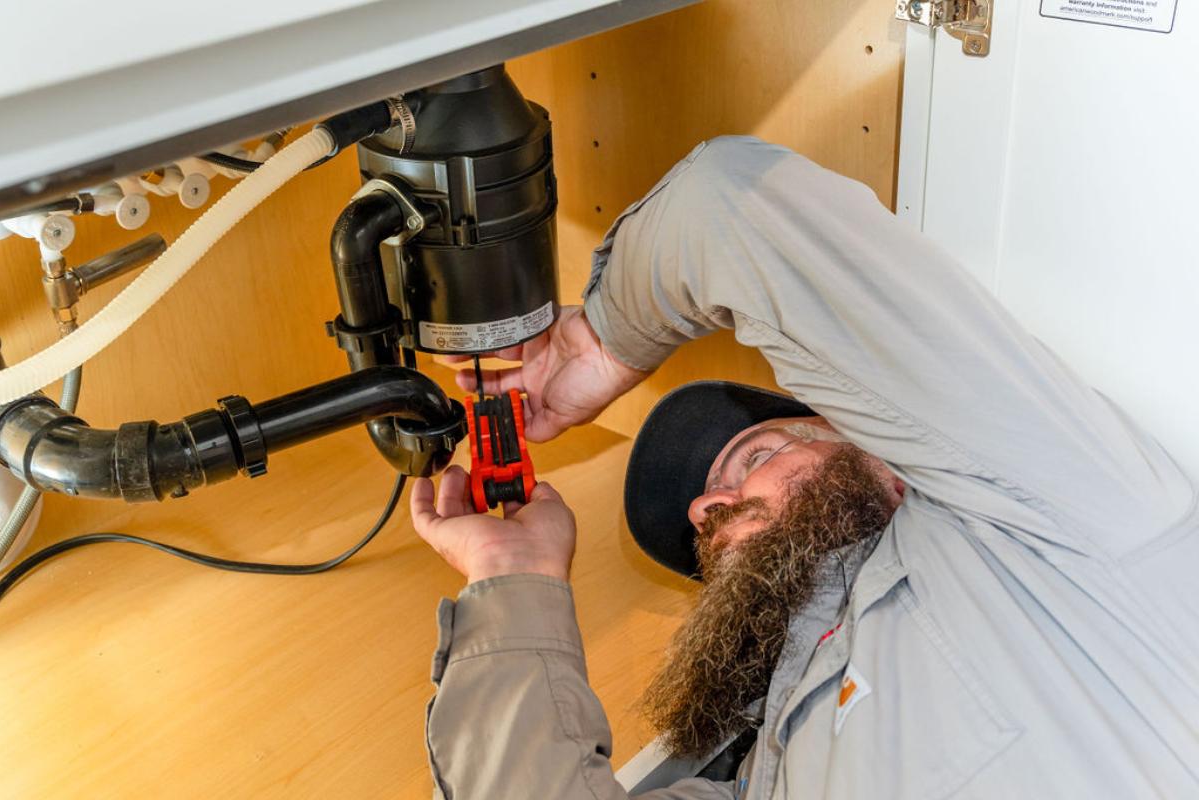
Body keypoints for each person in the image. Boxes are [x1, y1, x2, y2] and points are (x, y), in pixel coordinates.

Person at [409, 136, 1199, 799]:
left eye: (751, 456)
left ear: (884, 459)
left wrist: (604, 345)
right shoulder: (766, 776)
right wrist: (515, 575)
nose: (702, 509)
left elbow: (729, 208)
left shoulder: (1038, 516)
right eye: (708, 519)